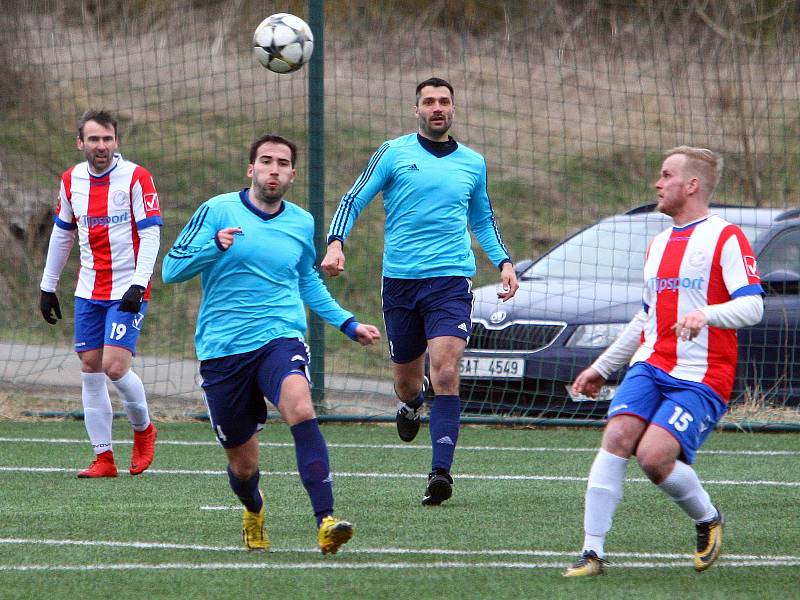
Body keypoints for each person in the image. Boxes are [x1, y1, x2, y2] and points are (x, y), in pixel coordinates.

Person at [161, 134, 381, 554]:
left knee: (300, 405)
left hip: (279, 336)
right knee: (244, 467)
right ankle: (254, 509)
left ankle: (326, 521)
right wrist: (214, 247)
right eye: (266, 161)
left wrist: (347, 323)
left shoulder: (301, 222)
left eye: (282, 163)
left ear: (293, 175)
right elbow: (172, 270)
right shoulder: (217, 210)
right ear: (251, 170)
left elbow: (306, 281)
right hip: (223, 349)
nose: (274, 169)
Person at [563, 146, 764, 577]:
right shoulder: (656, 243)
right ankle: (591, 552)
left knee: (654, 458)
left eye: (666, 175)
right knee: (617, 436)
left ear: (691, 185)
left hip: (704, 374)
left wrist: (705, 314)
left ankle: (708, 518)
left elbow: (753, 308)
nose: (657, 183)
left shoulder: (725, 237)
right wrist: (602, 367)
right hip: (651, 363)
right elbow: (646, 316)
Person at [321, 77, 519, 506]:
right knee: (408, 382)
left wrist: (503, 262)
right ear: (416, 111)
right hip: (400, 282)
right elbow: (353, 200)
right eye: (429, 101)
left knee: (446, 371)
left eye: (444, 101)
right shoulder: (393, 154)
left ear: (453, 109)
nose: (437, 108)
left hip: (450, 280)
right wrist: (337, 242)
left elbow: (482, 218)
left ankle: (440, 473)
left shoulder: (472, 162)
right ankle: (411, 404)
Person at [39, 109, 160, 478]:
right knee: (90, 366)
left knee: (115, 366)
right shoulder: (70, 180)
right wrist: (48, 286)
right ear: (81, 143)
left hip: (128, 288)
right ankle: (103, 457)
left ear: (116, 142)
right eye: (93, 139)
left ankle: (144, 430)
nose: (101, 146)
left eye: (107, 139)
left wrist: (140, 283)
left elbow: (152, 233)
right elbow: (63, 234)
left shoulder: (137, 178)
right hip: (89, 288)